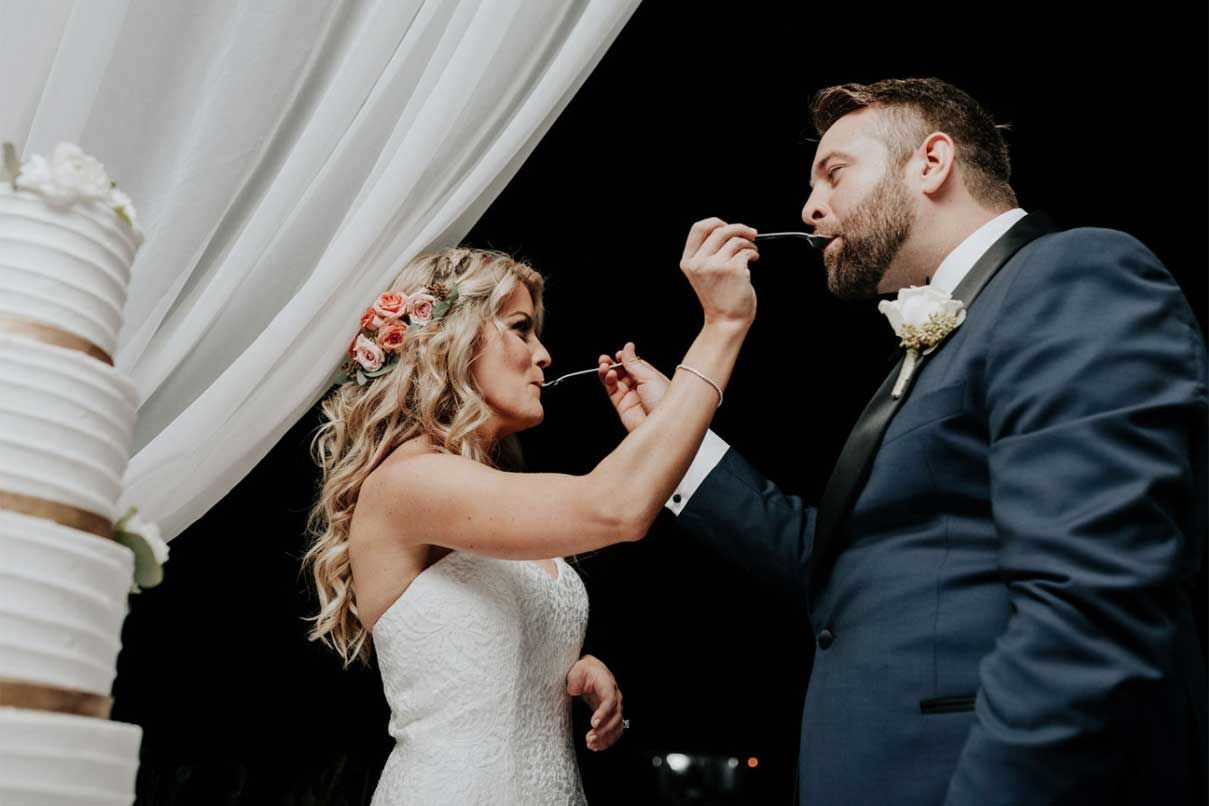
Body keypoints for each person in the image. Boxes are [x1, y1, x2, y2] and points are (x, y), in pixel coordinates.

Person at [599, 78, 1207, 805]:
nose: (808, 209)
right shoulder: (943, 329)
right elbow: (847, 572)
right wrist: (679, 437)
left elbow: (1091, 603)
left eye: (834, 173)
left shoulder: (1073, 274)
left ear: (931, 162)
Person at [303, 241, 759, 804]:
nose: (544, 354)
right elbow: (616, 507)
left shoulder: (481, 491)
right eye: (520, 328)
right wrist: (723, 325)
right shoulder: (408, 481)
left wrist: (559, 672)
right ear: (454, 340)